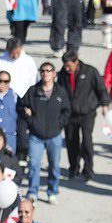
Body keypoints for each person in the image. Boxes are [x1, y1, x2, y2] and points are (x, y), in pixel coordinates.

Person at [21, 61, 71, 204]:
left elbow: (67, 111)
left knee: (54, 165)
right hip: (36, 136)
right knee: (34, 165)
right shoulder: (32, 91)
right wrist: (29, 118)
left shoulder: (60, 92)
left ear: (54, 74)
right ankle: (32, 192)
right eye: (43, 70)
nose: (45, 73)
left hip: (54, 135)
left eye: (49, 70)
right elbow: (21, 106)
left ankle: (52, 191)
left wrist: (60, 124)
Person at [59, 49, 109, 184]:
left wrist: (104, 104)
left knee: (87, 140)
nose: (67, 68)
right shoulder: (62, 75)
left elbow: (101, 89)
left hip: (87, 112)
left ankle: (88, 170)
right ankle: (73, 168)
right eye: (65, 66)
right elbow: (59, 92)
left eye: (69, 65)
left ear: (76, 62)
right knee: (71, 141)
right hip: (70, 114)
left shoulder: (90, 71)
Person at [0, 36, 38, 100]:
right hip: (3, 99)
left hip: (24, 98)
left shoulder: (29, 61)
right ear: (7, 49)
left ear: (21, 48)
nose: (15, 56)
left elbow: (34, 81)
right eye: (12, 53)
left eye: (17, 53)